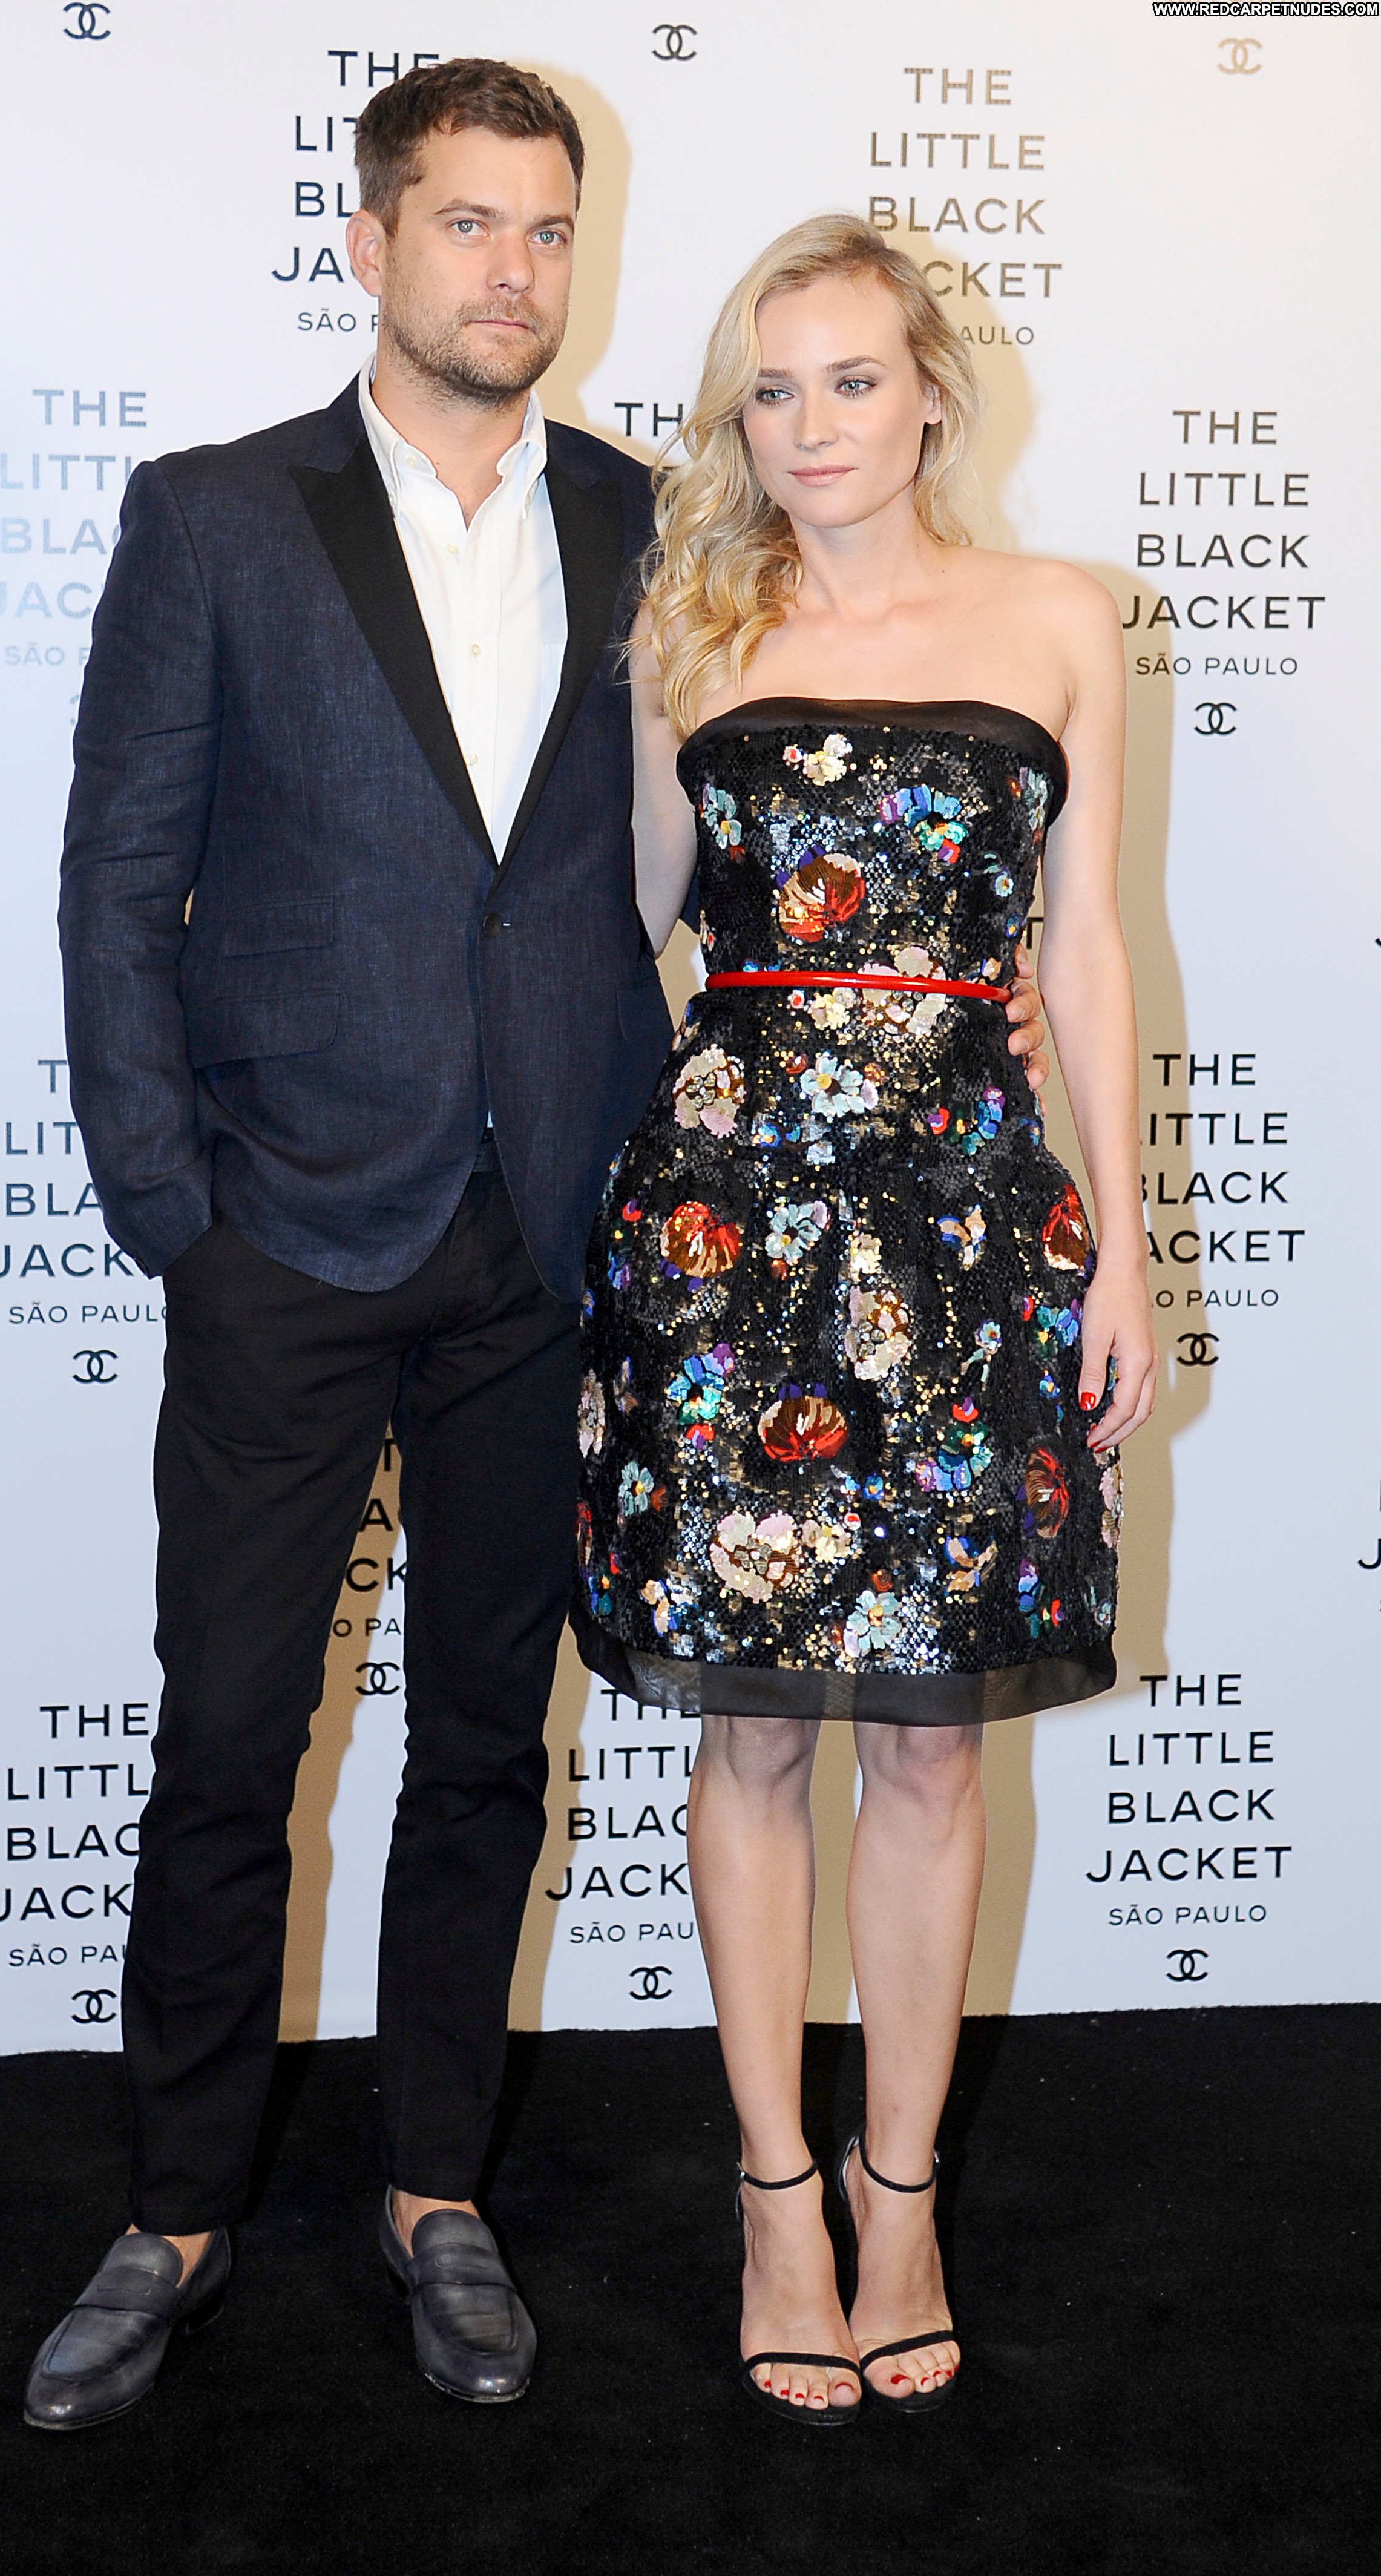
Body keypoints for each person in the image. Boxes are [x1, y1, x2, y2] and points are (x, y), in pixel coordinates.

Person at [33, 58, 1048, 2430]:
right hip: (287, 1232)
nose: (512, 270)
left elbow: (741, 856)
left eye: (547, 229)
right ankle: (174, 2208)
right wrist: (172, 1205)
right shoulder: (218, 515)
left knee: (489, 1744)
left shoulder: (656, 528)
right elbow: (117, 874)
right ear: (372, 242)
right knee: (227, 1738)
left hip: (562, 1247)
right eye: (468, 223)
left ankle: (437, 2189)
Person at [574, 215, 1155, 2424]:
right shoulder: (688, 631)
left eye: (849, 379)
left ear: (928, 391)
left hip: (978, 1232)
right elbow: (640, 928)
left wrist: (1128, 1243)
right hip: (729, 1246)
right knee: (749, 1738)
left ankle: (901, 2196)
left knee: (928, 1743)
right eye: (770, 389)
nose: (811, 427)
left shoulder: (1060, 617)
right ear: (738, 421)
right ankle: (774, 2198)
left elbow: (1082, 953)